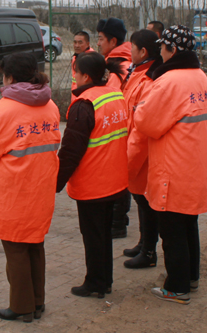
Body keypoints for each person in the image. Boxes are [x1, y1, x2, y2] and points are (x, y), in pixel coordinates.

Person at [0, 53, 60, 323]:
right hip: (40, 189)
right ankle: (37, 301)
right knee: (34, 244)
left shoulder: (2, 110)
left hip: (13, 192)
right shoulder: (50, 106)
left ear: (8, 77)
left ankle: (22, 307)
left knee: (16, 249)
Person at [135, 25, 207, 305]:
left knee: (171, 231)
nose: (160, 51)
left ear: (172, 50)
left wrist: (139, 108)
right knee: (188, 224)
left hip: (173, 167)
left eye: (162, 47)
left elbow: (147, 122)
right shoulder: (200, 77)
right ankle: (191, 278)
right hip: (195, 165)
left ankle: (177, 286)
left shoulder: (169, 81)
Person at [56, 51, 128, 299]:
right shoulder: (116, 94)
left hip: (93, 183)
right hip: (115, 179)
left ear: (85, 76)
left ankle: (96, 282)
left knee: (94, 235)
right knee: (104, 233)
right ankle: (104, 279)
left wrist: (55, 182)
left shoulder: (85, 105)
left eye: (75, 73)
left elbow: (70, 151)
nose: (74, 78)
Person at [120, 29, 163, 269]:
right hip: (131, 146)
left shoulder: (150, 79)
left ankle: (148, 252)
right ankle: (144, 242)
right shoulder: (138, 73)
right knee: (140, 199)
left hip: (142, 152)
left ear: (143, 51)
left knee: (146, 201)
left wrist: (127, 163)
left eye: (132, 48)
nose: (130, 52)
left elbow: (141, 127)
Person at [96, 17, 132, 238]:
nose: (97, 43)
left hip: (120, 127)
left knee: (119, 175)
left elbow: (112, 101)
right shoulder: (122, 62)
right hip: (125, 126)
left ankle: (117, 222)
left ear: (113, 40)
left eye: (100, 39)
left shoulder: (118, 67)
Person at [70, 31, 94, 100]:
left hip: (86, 98)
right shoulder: (75, 57)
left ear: (87, 44)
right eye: (75, 42)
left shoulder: (91, 59)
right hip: (75, 96)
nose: (77, 45)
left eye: (80, 43)